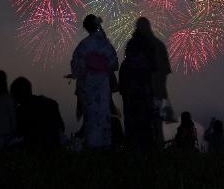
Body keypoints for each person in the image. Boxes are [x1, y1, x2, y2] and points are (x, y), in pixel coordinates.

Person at [70, 14, 118, 148]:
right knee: (103, 117)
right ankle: (104, 147)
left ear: (86, 27)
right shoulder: (105, 44)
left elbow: (76, 66)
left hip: (89, 86)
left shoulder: (84, 45)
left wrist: (86, 70)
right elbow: (114, 64)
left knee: (91, 117)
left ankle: (92, 148)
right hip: (103, 86)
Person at [132, 17, 172, 143]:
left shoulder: (135, 45)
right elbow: (165, 70)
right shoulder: (159, 45)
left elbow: (131, 68)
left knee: (142, 123)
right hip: (157, 91)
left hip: (141, 91)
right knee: (156, 122)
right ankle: (157, 149)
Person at [119, 19, 157, 149]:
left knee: (131, 124)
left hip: (131, 94)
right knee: (146, 124)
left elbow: (122, 86)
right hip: (144, 93)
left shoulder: (127, 61)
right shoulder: (149, 46)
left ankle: (133, 149)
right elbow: (154, 69)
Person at [10, 77, 65, 148]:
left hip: (36, 150)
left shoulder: (21, 111)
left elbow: (17, 134)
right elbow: (62, 128)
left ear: (17, 96)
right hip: (55, 147)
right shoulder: (51, 103)